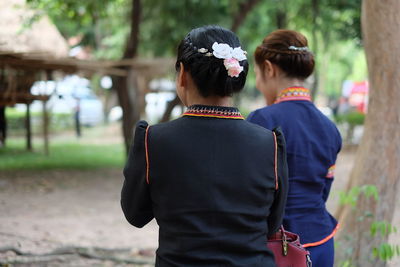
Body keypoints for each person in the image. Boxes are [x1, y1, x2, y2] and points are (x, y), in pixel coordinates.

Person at [121, 25, 288, 267]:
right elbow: (272, 223)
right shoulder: (270, 144)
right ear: (237, 74)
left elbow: (135, 214)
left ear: (182, 74)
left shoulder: (153, 141)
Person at [247, 29, 342, 267]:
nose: (258, 83)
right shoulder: (330, 128)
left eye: (257, 74)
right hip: (321, 242)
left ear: (269, 68)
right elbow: (323, 191)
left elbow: (247, 190)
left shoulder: (261, 120)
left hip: (277, 248)